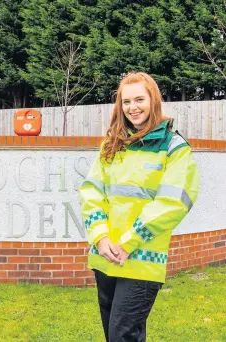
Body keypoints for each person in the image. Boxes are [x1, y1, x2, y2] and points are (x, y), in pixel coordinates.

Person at [79, 72, 200, 341]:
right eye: (126, 101)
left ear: (153, 100)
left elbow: (172, 203)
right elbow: (92, 192)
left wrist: (128, 242)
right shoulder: (112, 145)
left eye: (139, 99)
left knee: (122, 335)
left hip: (142, 259)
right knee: (117, 335)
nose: (132, 107)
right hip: (105, 256)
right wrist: (100, 237)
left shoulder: (174, 147)